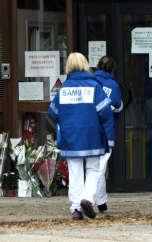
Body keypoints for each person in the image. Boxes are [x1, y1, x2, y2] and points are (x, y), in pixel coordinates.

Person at [48, 52, 113, 220]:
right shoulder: (94, 86)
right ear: (85, 65)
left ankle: (76, 208)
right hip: (92, 135)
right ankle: (87, 198)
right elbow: (105, 112)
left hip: (71, 136)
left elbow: (53, 112)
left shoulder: (64, 88)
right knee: (93, 169)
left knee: (75, 171)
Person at [93, 56, 123, 213]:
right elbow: (118, 109)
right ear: (113, 69)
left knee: (96, 167)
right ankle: (89, 199)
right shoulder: (113, 86)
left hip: (89, 130)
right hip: (106, 130)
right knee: (100, 167)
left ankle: (101, 201)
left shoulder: (90, 82)